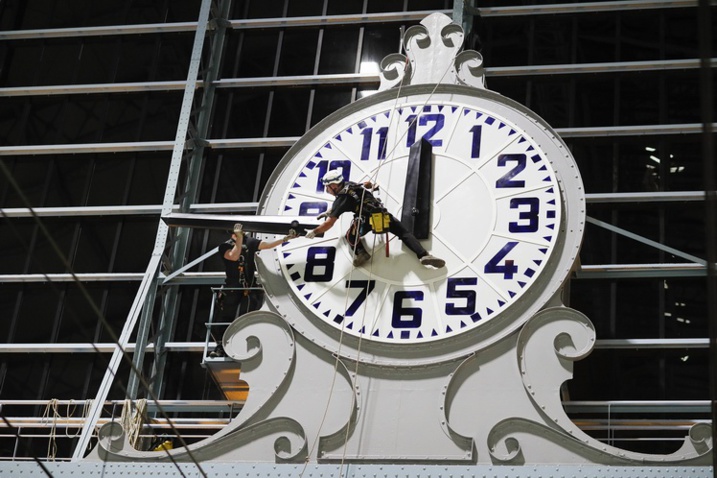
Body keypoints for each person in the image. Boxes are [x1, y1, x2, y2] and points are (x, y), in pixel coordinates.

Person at [305, 170, 445, 268]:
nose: (327, 190)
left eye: (327, 187)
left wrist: (315, 232)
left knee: (350, 236)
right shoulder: (351, 184)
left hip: (365, 221)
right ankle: (423, 255)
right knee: (404, 233)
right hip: (381, 215)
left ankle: (362, 254)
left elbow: (329, 224)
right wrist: (330, 211)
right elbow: (365, 186)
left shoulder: (341, 200)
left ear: (334, 185)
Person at [210, 223, 296, 357]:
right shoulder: (225, 246)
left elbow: (267, 245)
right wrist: (238, 240)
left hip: (247, 290)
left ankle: (242, 344)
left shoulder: (249, 242)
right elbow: (234, 256)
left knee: (246, 317)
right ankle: (222, 346)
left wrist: (284, 240)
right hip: (232, 289)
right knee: (226, 317)